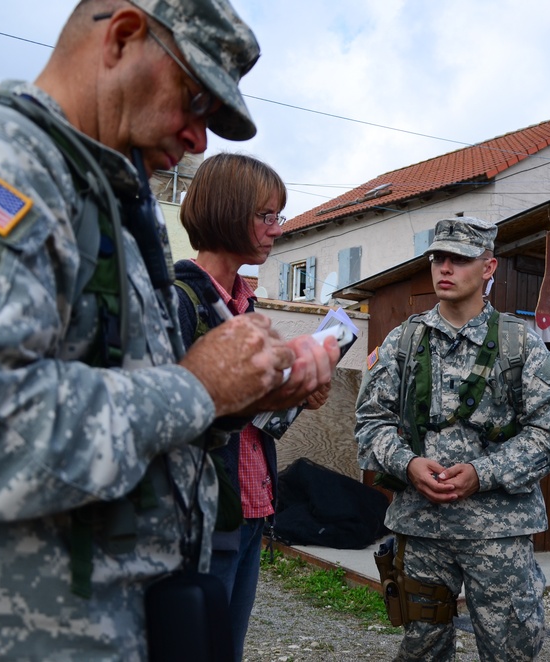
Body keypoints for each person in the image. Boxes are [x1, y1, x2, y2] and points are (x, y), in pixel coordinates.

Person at [0, 0, 339, 659]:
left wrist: (241, 396)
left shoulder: (102, 199)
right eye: (195, 99)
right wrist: (200, 390)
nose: (198, 139)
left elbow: (118, 403)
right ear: (123, 37)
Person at [355, 217, 550, 661]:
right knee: (422, 650)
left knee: (510, 650)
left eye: (460, 259)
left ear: (488, 267)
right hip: (422, 528)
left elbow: (547, 436)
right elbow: (369, 422)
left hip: (499, 535)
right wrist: (407, 464)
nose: (445, 268)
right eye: (438, 257)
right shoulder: (404, 342)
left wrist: (481, 473)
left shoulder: (521, 346)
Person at [172, 152, 330, 660]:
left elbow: (252, 415)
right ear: (226, 210)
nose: (276, 229)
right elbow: (169, 416)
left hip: (251, 508)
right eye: (266, 216)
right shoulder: (181, 301)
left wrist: (295, 399)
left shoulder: (248, 305)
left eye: (277, 217)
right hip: (200, 521)